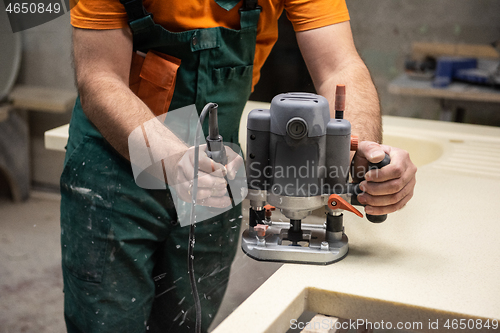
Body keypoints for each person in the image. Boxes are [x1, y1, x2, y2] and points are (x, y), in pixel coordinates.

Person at [62, 0, 417, 332]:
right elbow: (100, 78)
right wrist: (173, 159)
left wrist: (357, 151)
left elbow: (340, 66)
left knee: (189, 319)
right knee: (108, 319)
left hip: (218, 166)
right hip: (114, 168)